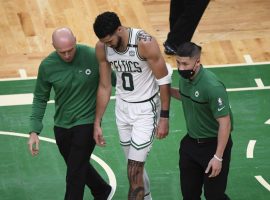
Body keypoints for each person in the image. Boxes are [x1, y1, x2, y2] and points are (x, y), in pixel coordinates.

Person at [93, 11, 171, 200]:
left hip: (146, 110)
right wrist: (97, 122)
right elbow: (104, 86)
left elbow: (163, 80)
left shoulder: (144, 43)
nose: (107, 45)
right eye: (104, 42)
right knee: (134, 165)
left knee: (134, 170)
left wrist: (164, 117)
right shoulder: (102, 48)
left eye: (110, 40)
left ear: (119, 29)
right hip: (122, 108)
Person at [27, 27, 113, 200]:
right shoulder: (47, 66)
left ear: (75, 41)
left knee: (74, 173)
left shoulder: (93, 55)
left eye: (70, 50)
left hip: (87, 122)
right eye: (62, 52)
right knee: (78, 165)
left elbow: (113, 80)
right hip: (62, 125)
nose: (67, 56)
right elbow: (40, 98)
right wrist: (34, 130)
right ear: (53, 47)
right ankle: (101, 189)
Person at [170, 42, 233, 199]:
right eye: (178, 62)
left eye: (185, 63)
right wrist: (166, 90)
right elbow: (186, 95)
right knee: (189, 194)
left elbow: (225, 123)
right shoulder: (185, 79)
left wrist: (218, 157)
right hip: (190, 144)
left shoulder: (212, 86)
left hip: (214, 145)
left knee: (214, 196)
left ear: (197, 62)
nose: (181, 68)